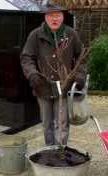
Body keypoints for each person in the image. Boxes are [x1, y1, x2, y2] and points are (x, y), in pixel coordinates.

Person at [20, 3, 86, 146]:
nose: (54, 19)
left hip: (63, 86)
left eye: (57, 15)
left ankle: (60, 151)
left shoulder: (70, 34)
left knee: (62, 123)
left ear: (62, 17)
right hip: (42, 86)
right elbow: (26, 57)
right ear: (45, 17)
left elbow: (81, 57)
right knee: (46, 123)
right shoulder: (36, 35)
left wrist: (80, 75)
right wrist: (32, 74)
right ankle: (50, 150)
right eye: (51, 15)